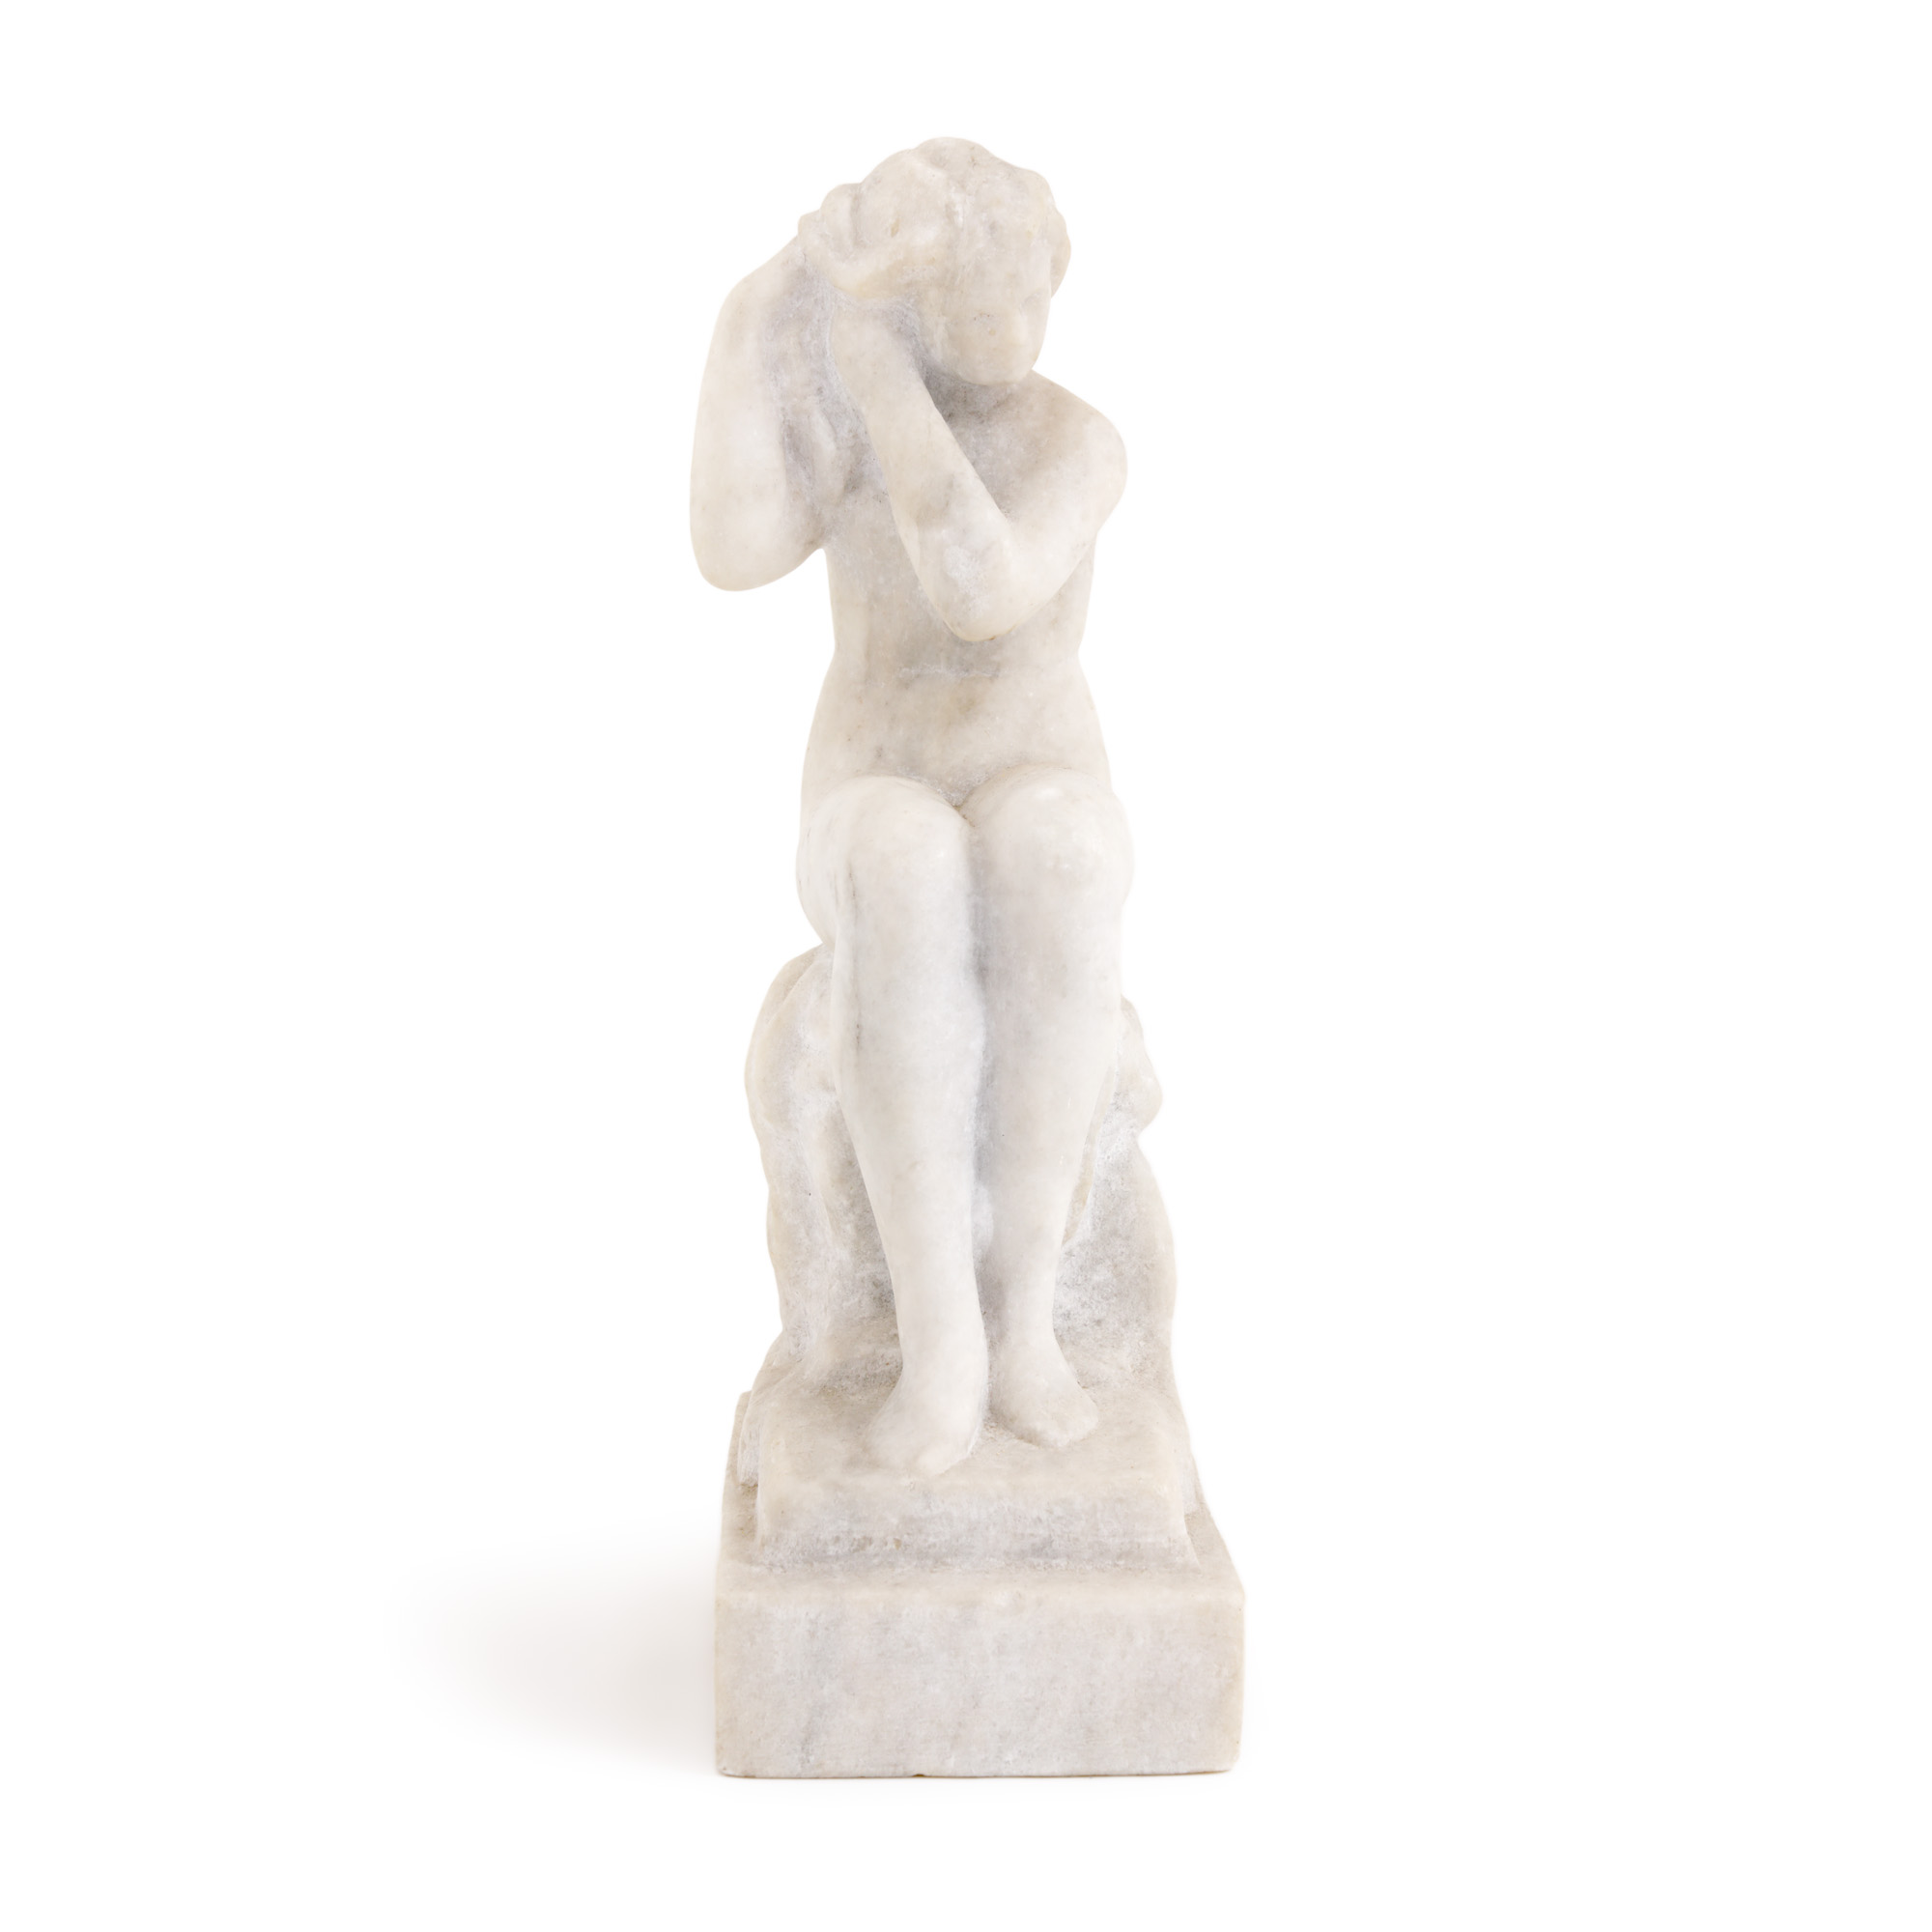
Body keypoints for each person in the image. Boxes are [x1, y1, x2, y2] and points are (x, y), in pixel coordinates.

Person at [692, 140, 1132, 1478]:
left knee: (1058, 851)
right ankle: (940, 1342)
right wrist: (773, 298)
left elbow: (980, 587)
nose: (1010, 319)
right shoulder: (864, 430)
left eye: (1028, 288)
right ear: (918, 298)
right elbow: (729, 550)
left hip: (1040, 770)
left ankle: (1025, 1321)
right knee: (898, 857)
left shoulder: (1077, 441)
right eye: (975, 292)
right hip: (875, 776)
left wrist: (875, 369)